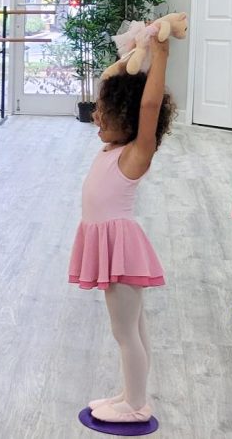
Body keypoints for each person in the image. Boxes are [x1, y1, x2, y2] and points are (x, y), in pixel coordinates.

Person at [68, 34, 175, 423]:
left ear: (127, 118)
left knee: (125, 331)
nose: (96, 116)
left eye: (103, 111)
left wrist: (160, 53)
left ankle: (135, 405)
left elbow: (149, 103)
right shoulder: (112, 147)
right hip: (112, 245)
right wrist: (133, 54)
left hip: (121, 249)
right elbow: (111, 82)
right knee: (134, 327)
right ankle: (132, 393)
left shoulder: (135, 153)